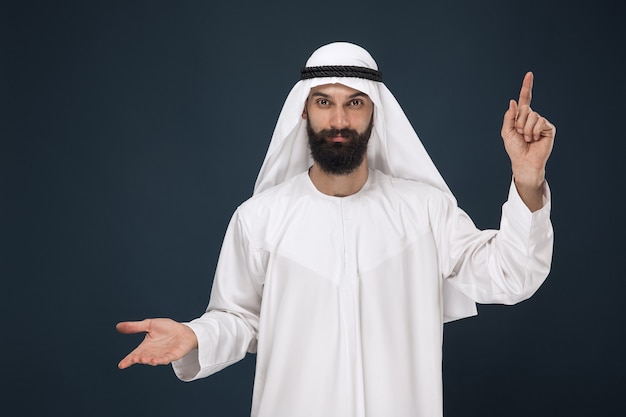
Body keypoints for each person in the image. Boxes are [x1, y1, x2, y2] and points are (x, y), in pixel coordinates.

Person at [117, 42, 555, 417]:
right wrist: (195, 335)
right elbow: (240, 319)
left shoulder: (425, 212)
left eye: (354, 102)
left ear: (374, 113)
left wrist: (528, 179)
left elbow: (512, 275)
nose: (339, 119)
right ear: (304, 111)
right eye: (324, 102)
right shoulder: (260, 218)